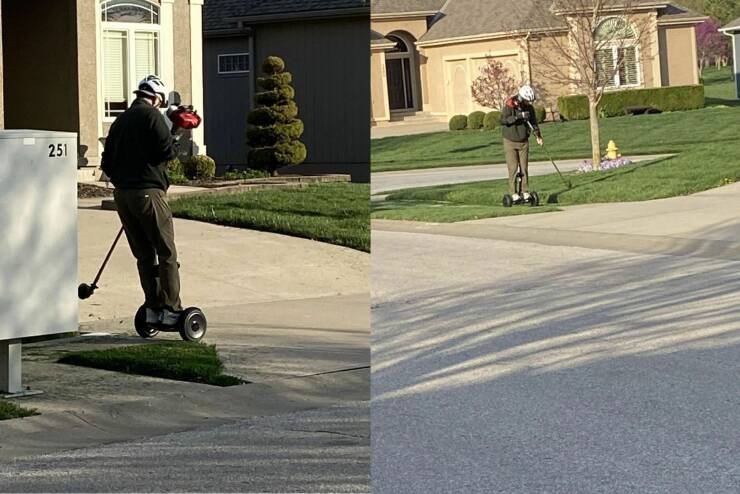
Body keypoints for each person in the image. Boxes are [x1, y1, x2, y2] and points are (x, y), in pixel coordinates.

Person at [101, 75, 182, 326]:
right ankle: (171, 309)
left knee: (144, 254)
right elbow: (166, 152)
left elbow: (106, 163)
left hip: (122, 195)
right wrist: (177, 133)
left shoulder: (120, 119)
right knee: (166, 252)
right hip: (148, 193)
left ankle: (152, 307)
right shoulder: (152, 116)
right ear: (157, 98)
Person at [500, 84, 544, 202]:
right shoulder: (510, 105)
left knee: (524, 168)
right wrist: (518, 117)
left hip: (523, 141)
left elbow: (533, 123)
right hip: (510, 141)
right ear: (521, 98)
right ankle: (513, 193)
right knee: (513, 168)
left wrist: (538, 136)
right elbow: (503, 120)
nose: (528, 103)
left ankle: (525, 192)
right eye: (526, 101)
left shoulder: (529, 108)